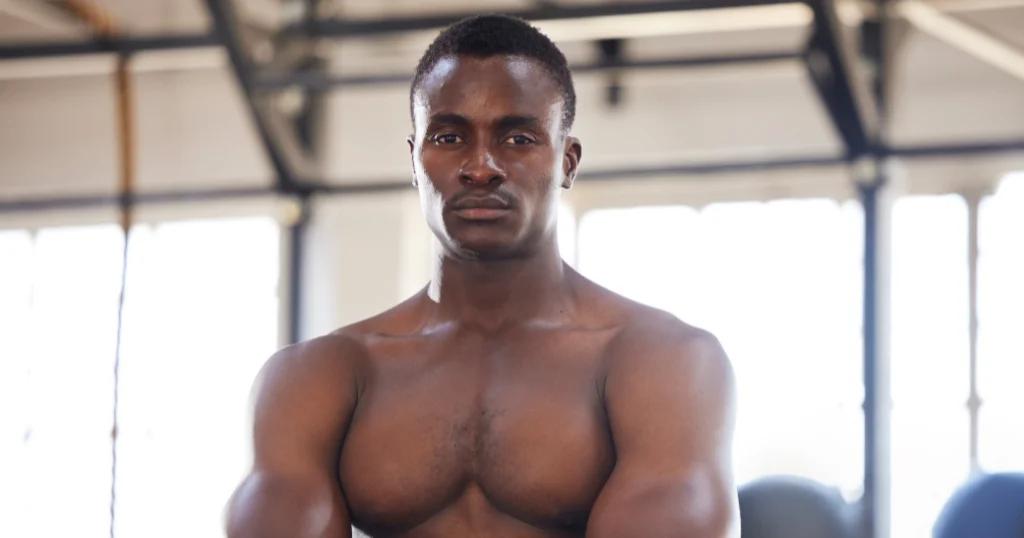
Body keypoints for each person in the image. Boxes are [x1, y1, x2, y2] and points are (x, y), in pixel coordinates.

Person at [226, 14, 738, 538]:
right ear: (414, 160)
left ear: (568, 161)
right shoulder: (317, 379)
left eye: (518, 138)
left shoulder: (662, 364)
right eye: (449, 137)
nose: (481, 166)